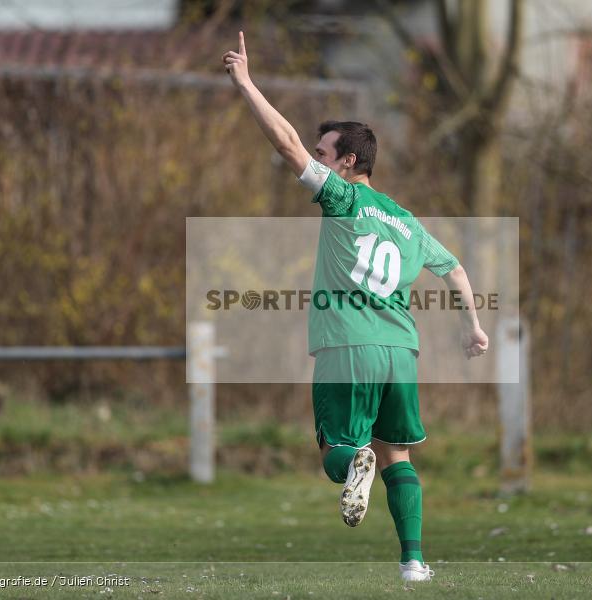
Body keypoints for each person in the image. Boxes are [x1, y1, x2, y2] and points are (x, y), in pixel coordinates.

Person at [223, 32, 489, 583]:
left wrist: (247, 84)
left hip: (347, 345)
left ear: (346, 163)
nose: (315, 160)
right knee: (400, 457)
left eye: (325, 155)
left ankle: (352, 465)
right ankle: (413, 562)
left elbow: (287, 144)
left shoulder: (344, 198)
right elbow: (456, 269)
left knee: (335, 448)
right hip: (400, 352)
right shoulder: (406, 220)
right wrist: (473, 327)